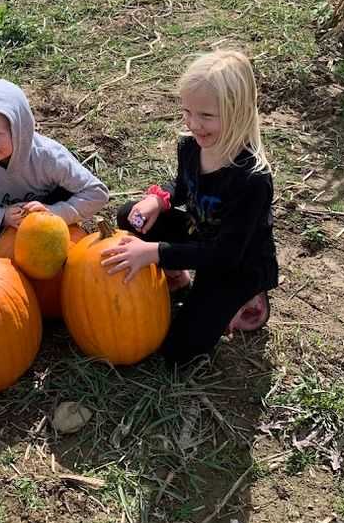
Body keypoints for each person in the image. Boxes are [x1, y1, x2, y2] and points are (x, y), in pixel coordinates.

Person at [101, 49, 277, 366]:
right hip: (199, 233)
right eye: (187, 112)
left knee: (179, 354)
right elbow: (183, 186)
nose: (194, 124)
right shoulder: (191, 146)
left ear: (238, 111)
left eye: (206, 116)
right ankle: (179, 278)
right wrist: (159, 199)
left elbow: (224, 255)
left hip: (235, 265)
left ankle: (247, 298)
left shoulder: (252, 180)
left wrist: (154, 252)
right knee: (132, 216)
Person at [0, 78, 108, 251]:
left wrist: (54, 213)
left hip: (50, 213)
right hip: (8, 220)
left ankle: (63, 232)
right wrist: (2, 217)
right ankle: (0, 235)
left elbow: (97, 193)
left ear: (19, 131)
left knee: (69, 188)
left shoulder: (48, 156)